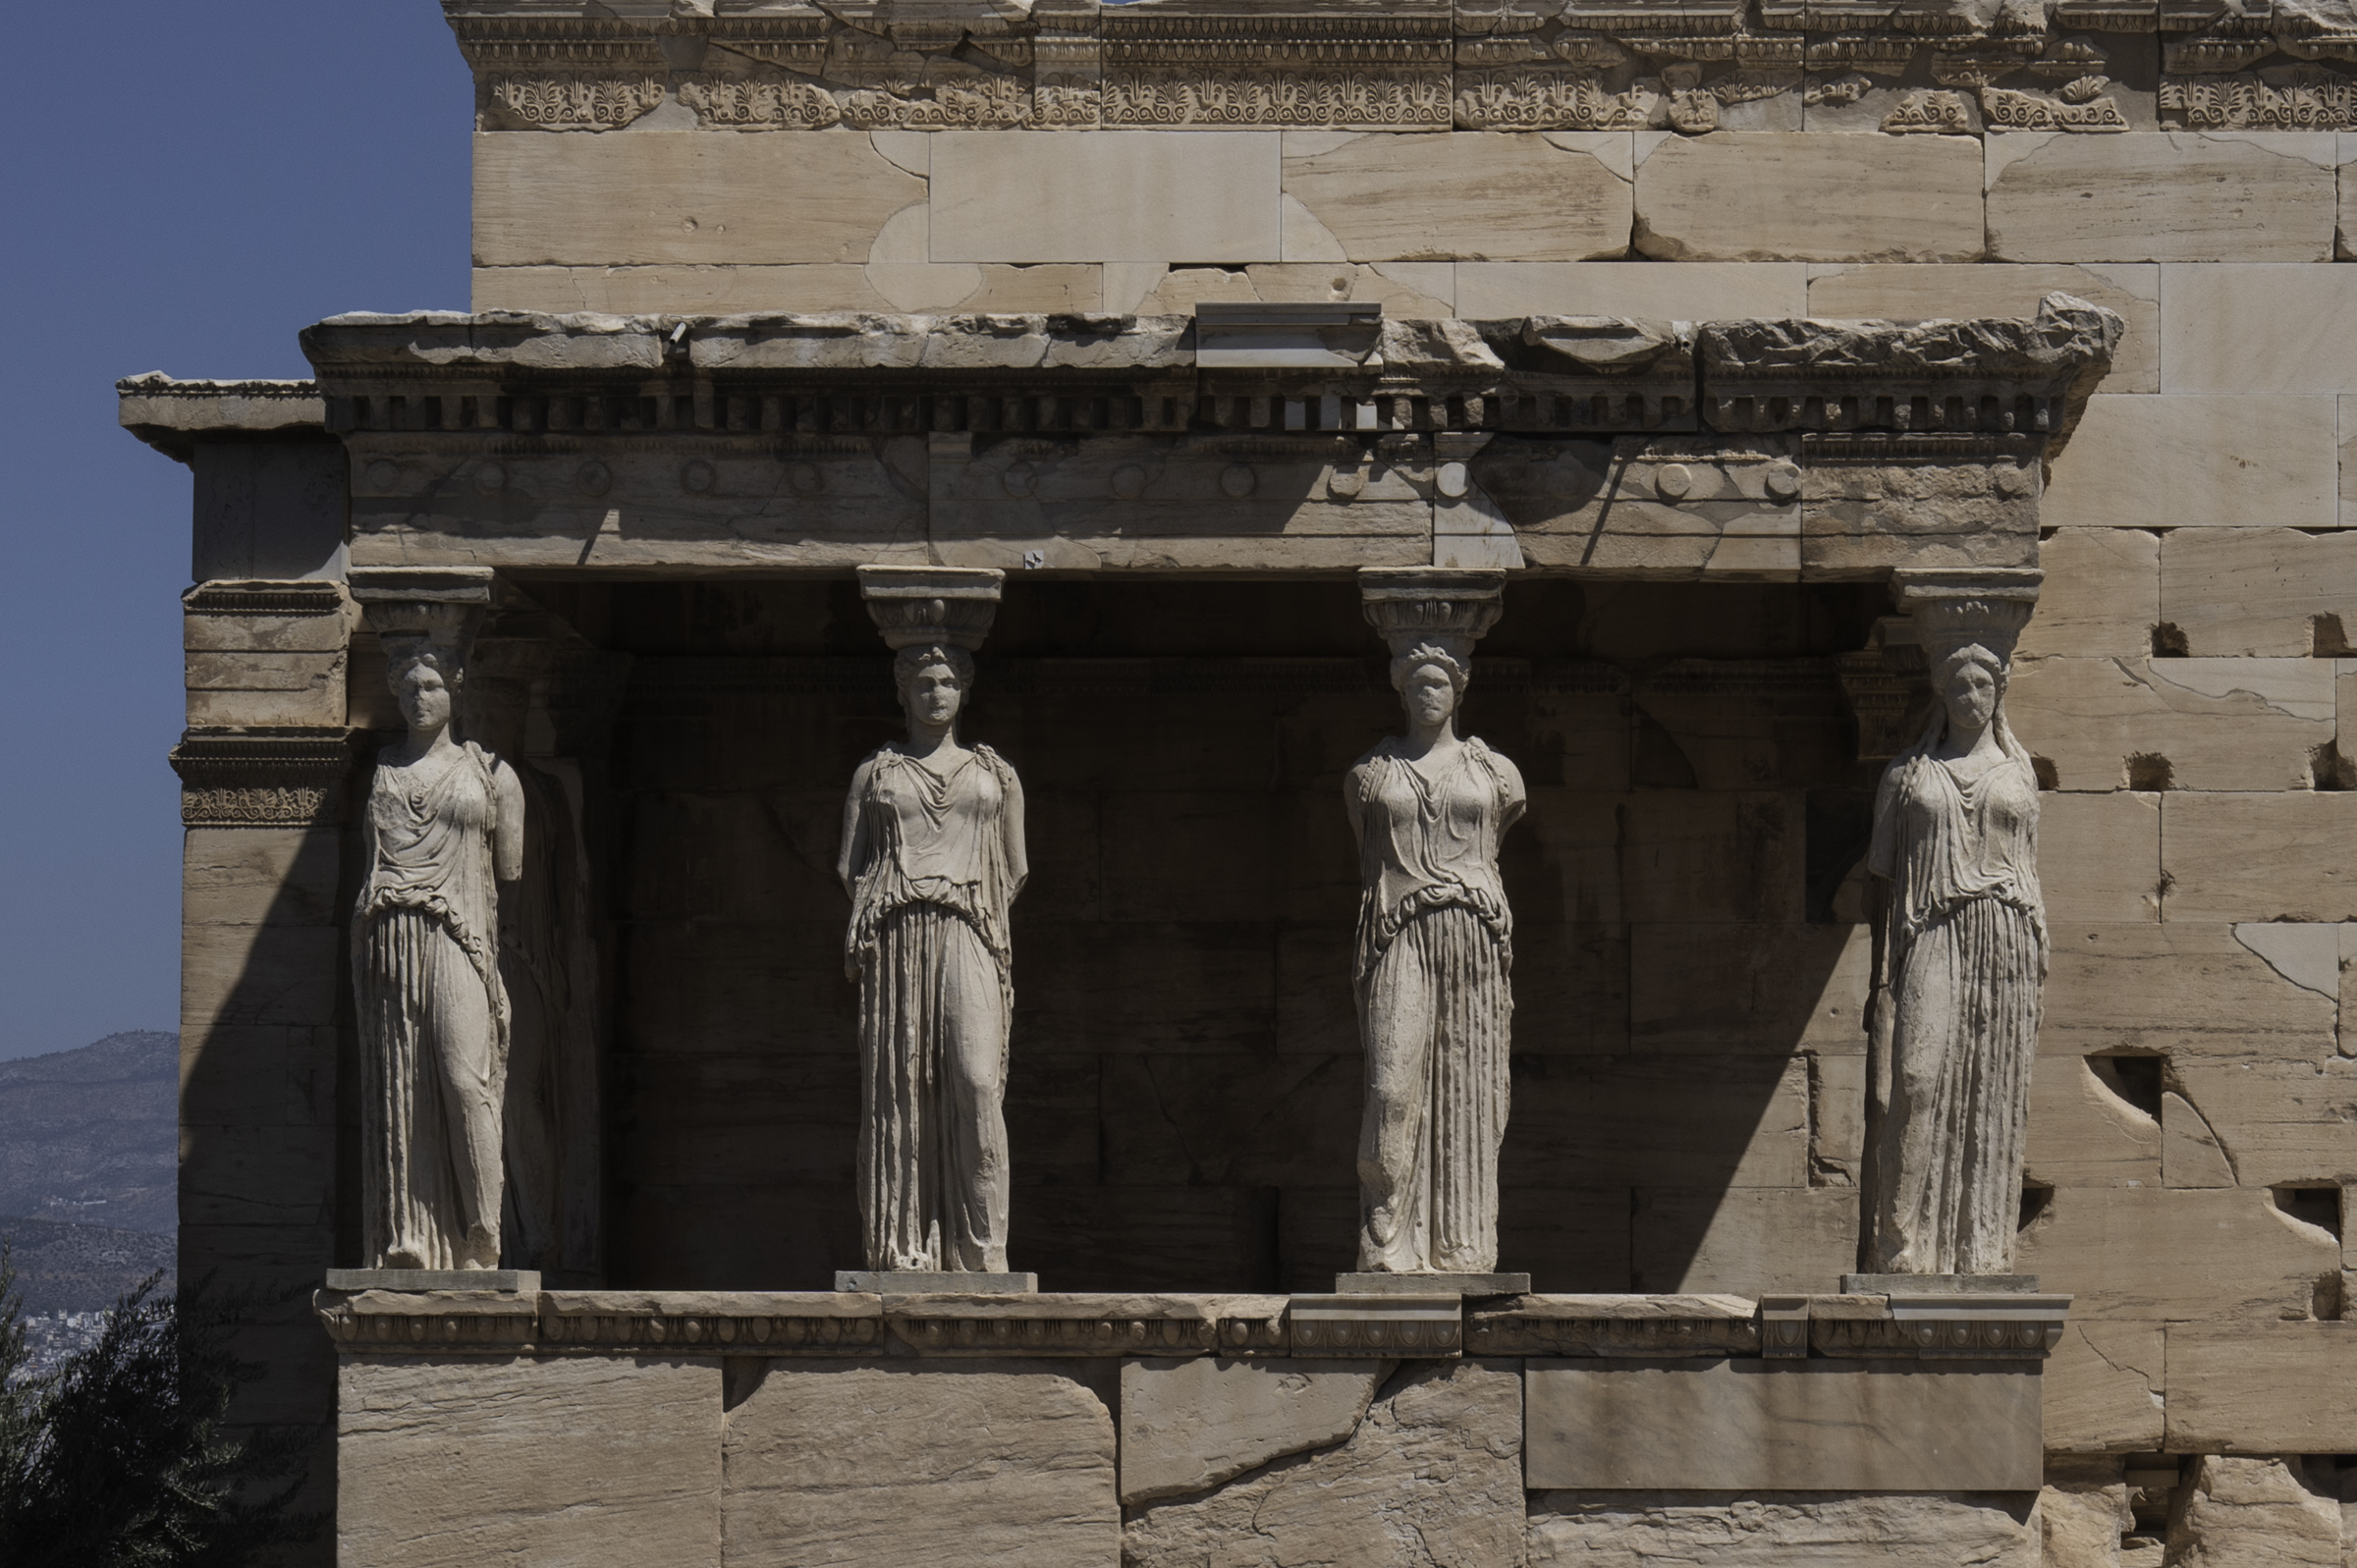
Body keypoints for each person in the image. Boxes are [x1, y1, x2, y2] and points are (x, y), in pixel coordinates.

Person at [839, 641, 1027, 1273]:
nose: (936, 693)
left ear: (965, 688)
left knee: (976, 1080)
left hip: (971, 929)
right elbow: (849, 866)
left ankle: (983, 1248)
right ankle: (906, 1247)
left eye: (947, 681)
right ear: (904, 691)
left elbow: (1016, 869)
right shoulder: (875, 774)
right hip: (897, 940)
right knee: (904, 1087)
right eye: (923, 683)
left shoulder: (996, 775)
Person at [1864, 637, 2047, 1274]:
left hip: (2004, 939)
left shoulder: (2019, 775)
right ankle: (1898, 1241)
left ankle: (1979, 1247)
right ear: (1941, 693)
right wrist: (1880, 982)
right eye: (1960, 685)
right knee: (1917, 1078)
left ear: (1999, 693)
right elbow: (1879, 885)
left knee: (1990, 1087)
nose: (1972, 696)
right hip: (1930, 933)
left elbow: (2026, 870)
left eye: (1982, 685)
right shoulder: (1908, 776)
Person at [1347, 641, 1525, 1274]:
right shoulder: (1370, 776)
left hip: (1473, 931)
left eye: (1440, 683)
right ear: (1401, 691)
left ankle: (1461, 1248)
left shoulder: (1496, 772)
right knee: (1391, 1083)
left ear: (1459, 689)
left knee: (1466, 1086)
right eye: (1417, 683)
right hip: (1399, 931)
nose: (1429, 693)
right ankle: (1388, 1236)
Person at [355, 644, 524, 1271]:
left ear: (455, 687)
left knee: (463, 1078)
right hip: (393, 936)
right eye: (406, 688)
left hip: (463, 937)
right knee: (405, 1084)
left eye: (430, 685)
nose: (418, 698)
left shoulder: (494, 776)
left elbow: (509, 869)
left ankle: (482, 1235)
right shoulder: (383, 773)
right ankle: (415, 1241)